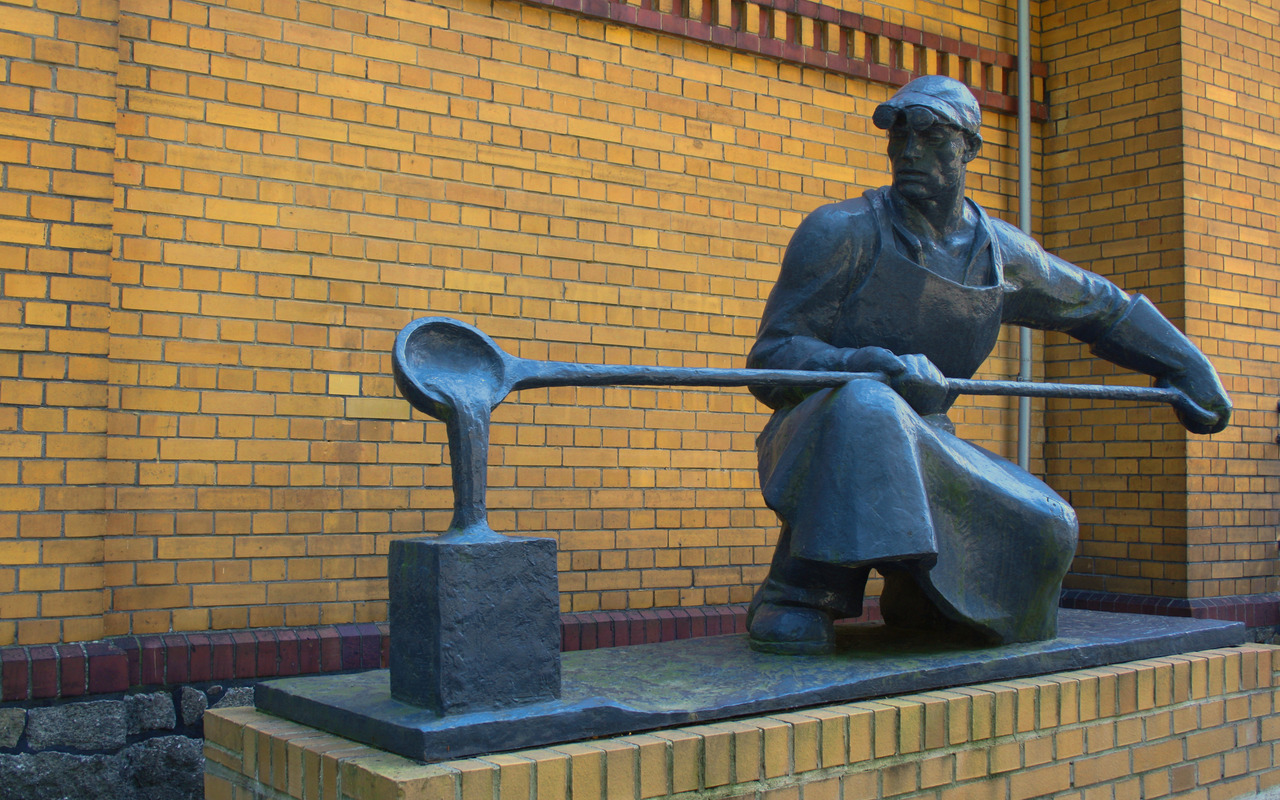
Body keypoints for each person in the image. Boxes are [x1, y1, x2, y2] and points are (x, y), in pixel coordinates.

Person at [746, 75, 1231, 654]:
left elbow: (1102, 308)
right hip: (820, 429)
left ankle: (923, 588)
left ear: (970, 147)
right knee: (868, 404)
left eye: (932, 136)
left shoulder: (1001, 255)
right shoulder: (840, 231)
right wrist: (858, 363)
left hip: (930, 441)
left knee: (1048, 524)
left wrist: (1186, 365)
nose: (909, 152)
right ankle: (802, 591)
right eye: (899, 137)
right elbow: (772, 356)